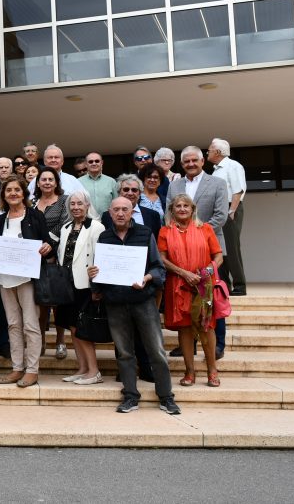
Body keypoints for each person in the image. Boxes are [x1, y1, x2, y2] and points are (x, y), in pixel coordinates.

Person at [89, 197, 179, 415]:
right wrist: (94, 276)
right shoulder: (104, 237)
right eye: (116, 210)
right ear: (110, 213)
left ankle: (166, 397)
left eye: (125, 210)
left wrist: (147, 277)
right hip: (116, 303)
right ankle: (130, 396)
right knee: (124, 353)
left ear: (132, 212)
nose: (120, 213)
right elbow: (100, 274)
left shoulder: (145, 233)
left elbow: (159, 268)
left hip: (143, 301)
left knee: (156, 351)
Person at [167, 146, 230, 358]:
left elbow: (221, 215)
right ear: (182, 164)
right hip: (179, 255)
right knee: (185, 304)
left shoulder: (218, 183)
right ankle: (189, 345)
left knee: (212, 299)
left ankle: (217, 345)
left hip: (208, 250)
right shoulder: (174, 185)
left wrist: (198, 235)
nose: (191, 164)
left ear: (203, 161)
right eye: (186, 162)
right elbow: (169, 214)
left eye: (195, 160)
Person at [158, 194, 224, 388]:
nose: (182, 209)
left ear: (193, 209)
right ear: (172, 210)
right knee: (185, 328)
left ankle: (212, 371)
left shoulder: (206, 229)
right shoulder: (165, 231)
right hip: (178, 285)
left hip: (204, 285)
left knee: (206, 326)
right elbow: (162, 258)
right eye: (177, 206)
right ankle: (190, 371)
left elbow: (218, 256)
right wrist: (184, 273)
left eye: (186, 205)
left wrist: (207, 271)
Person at [0, 177, 52, 388]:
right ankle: (17, 368)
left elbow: (48, 242)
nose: (13, 193)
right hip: (4, 278)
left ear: (24, 193)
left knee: (30, 324)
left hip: (28, 278)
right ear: (3, 195)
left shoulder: (35, 216)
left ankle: (32, 370)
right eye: (9, 190)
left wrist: (47, 247)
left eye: (17, 189)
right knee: (13, 324)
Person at [56, 191, 104, 385]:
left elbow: (100, 258)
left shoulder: (96, 227)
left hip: (85, 285)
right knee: (73, 328)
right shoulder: (65, 227)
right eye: (72, 204)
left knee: (83, 329)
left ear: (87, 205)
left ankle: (94, 371)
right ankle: (83, 368)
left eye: (79, 204)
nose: (75, 207)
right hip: (67, 285)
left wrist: (97, 287)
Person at [33, 166, 70, 360]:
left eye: (50, 179)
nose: (47, 182)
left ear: (56, 182)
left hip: (57, 256)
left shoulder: (64, 201)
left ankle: (60, 341)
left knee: (57, 302)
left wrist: (49, 243)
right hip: (35, 257)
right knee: (40, 303)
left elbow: (65, 224)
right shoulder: (31, 202)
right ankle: (40, 340)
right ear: (38, 183)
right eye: (43, 179)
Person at [208, 138, 248, 296]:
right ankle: (224, 284)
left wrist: (231, 211)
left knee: (231, 248)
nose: (208, 152)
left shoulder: (233, 166)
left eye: (210, 150)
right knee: (220, 249)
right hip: (219, 210)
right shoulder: (216, 169)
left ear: (218, 152)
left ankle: (240, 286)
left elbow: (238, 190)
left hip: (230, 208)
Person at [78, 152, 118, 219]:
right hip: (86, 221)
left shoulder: (111, 182)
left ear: (102, 163)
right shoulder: (78, 182)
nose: (94, 163)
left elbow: (117, 203)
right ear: (86, 164)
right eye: (90, 162)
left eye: (97, 161)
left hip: (108, 221)